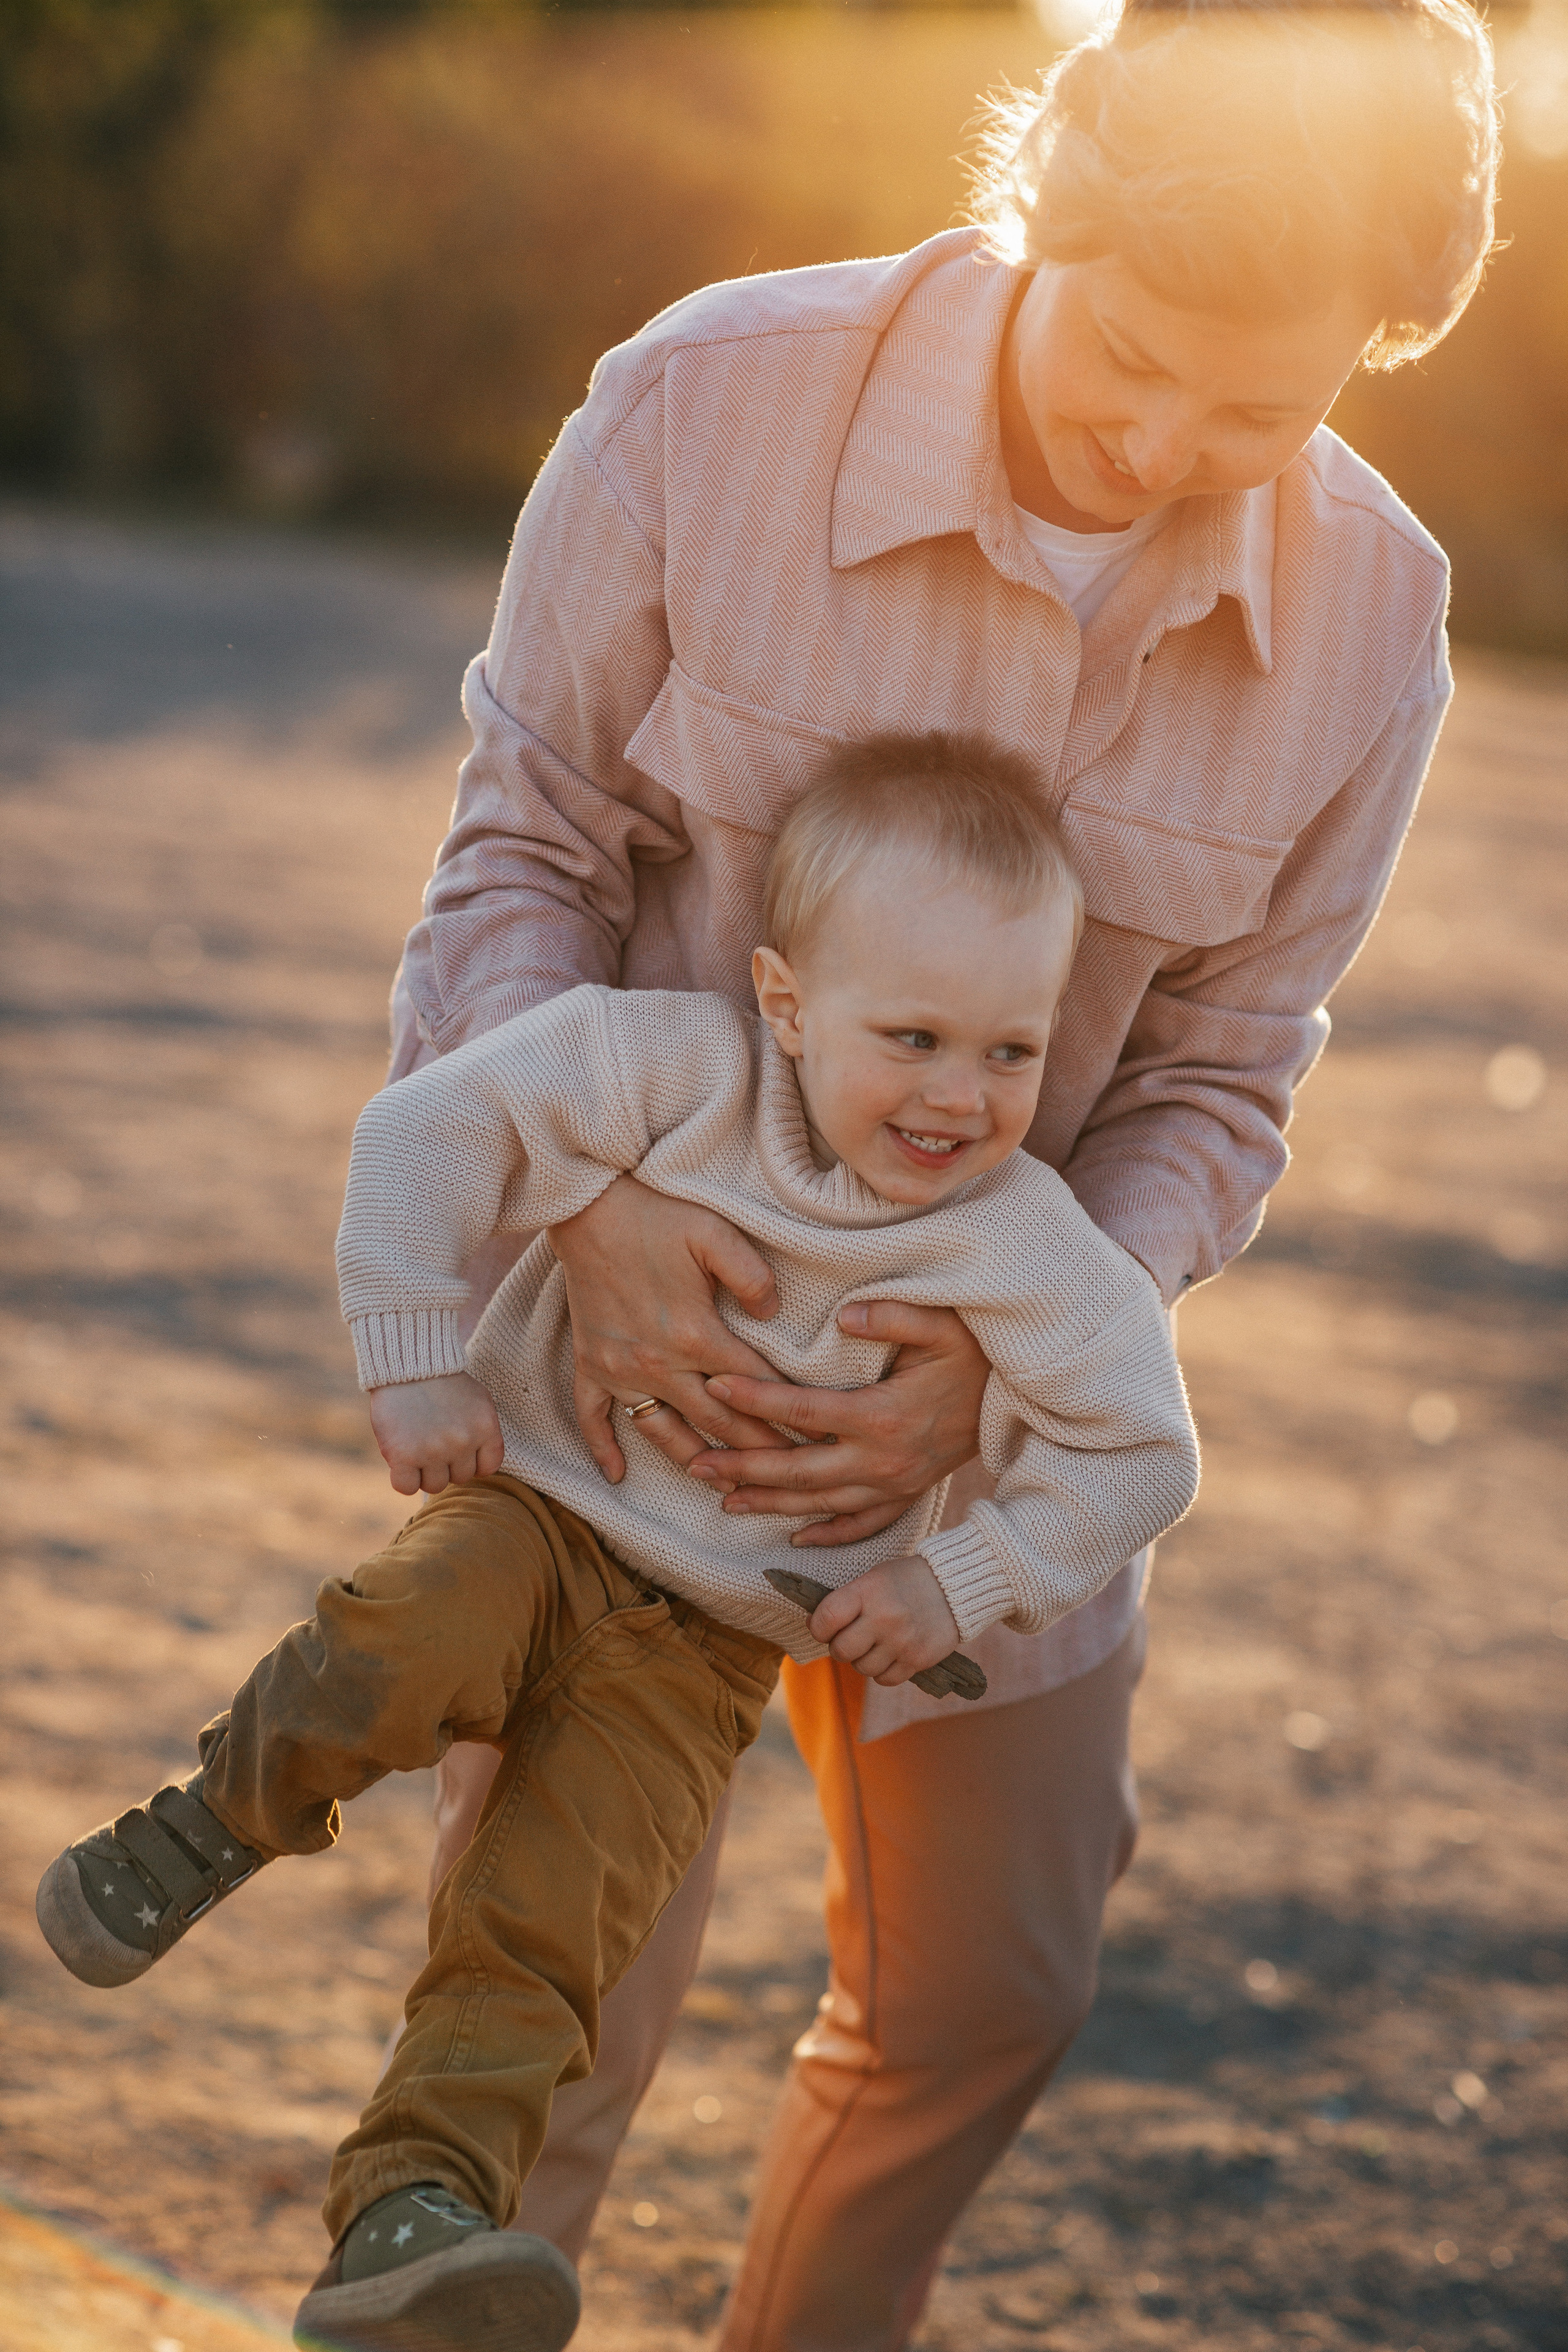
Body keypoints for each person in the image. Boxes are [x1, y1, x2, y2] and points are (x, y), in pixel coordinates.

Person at [396, 3, 1498, 2339]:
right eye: (1131, 359)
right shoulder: (706, 399)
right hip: (636, 1396)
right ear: (1055, 189)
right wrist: (596, 1226)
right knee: (555, 2004)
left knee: (995, 1989)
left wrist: (991, 1377)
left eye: (1267, 409)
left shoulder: (1374, 620)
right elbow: (528, 845)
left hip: (986, 1433)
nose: (1173, 446)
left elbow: (1225, 1068)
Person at [36, 736, 1198, 2352]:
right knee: (407, 1630)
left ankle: (411, 2210)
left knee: (552, 1927)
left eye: (1011, 1052)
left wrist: (959, 1574)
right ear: (789, 1004)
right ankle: (219, 1818)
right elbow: (427, 1132)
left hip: (706, 1650)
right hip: (536, 1513)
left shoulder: (1019, 1244)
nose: (959, 1093)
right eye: (913, 1036)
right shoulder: (672, 1068)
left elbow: (1144, 1451)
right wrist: (416, 1358)